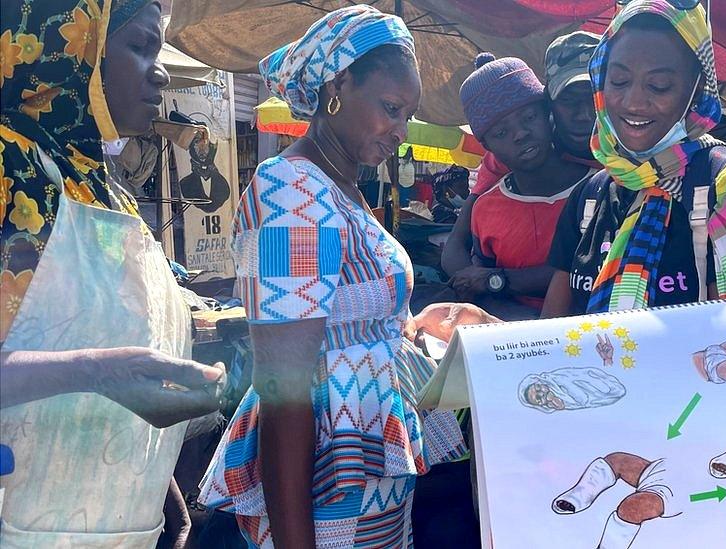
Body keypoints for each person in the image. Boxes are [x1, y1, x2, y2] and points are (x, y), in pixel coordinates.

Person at [196, 7, 465, 547]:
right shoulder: (291, 190)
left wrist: (411, 325)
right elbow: (284, 389)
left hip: (368, 475)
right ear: (338, 85)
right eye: (391, 109)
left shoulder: (340, 186)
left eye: (407, 114)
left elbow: (348, 321)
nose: (401, 130)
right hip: (326, 479)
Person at [0, 0, 225, 545]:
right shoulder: (9, 167)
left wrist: (163, 490)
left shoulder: (103, 190)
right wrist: (98, 371)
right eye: (140, 45)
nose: (163, 69)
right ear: (72, 47)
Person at [541, 0, 726, 318]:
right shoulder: (590, 195)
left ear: (696, 89)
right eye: (618, 81)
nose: (633, 102)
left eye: (658, 86)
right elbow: (551, 334)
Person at [441, 31, 601, 278]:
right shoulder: (509, 163)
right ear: (550, 105)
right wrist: (476, 287)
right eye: (569, 101)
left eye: (595, 99)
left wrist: (499, 281)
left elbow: (582, 273)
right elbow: (458, 241)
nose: (585, 115)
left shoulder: (626, 164)